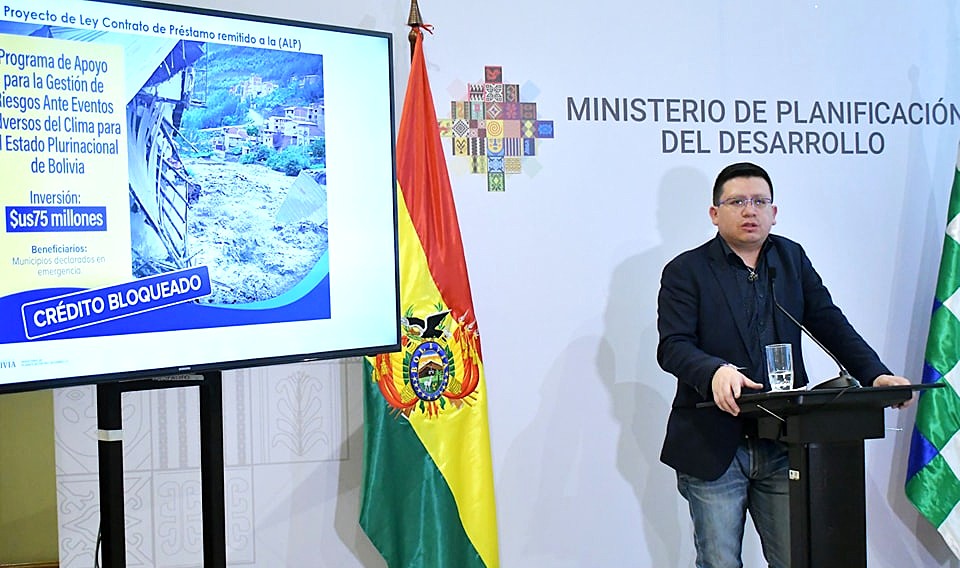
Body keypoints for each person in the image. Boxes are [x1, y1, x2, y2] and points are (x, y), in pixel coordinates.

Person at [656, 161, 914, 568]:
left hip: (783, 438)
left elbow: (829, 322)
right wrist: (715, 371)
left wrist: (875, 373)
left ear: (773, 213)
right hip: (714, 442)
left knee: (797, 558)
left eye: (760, 201)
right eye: (737, 201)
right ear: (714, 213)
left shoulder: (791, 258)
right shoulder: (686, 271)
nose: (749, 210)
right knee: (720, 562)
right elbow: (673, 346)